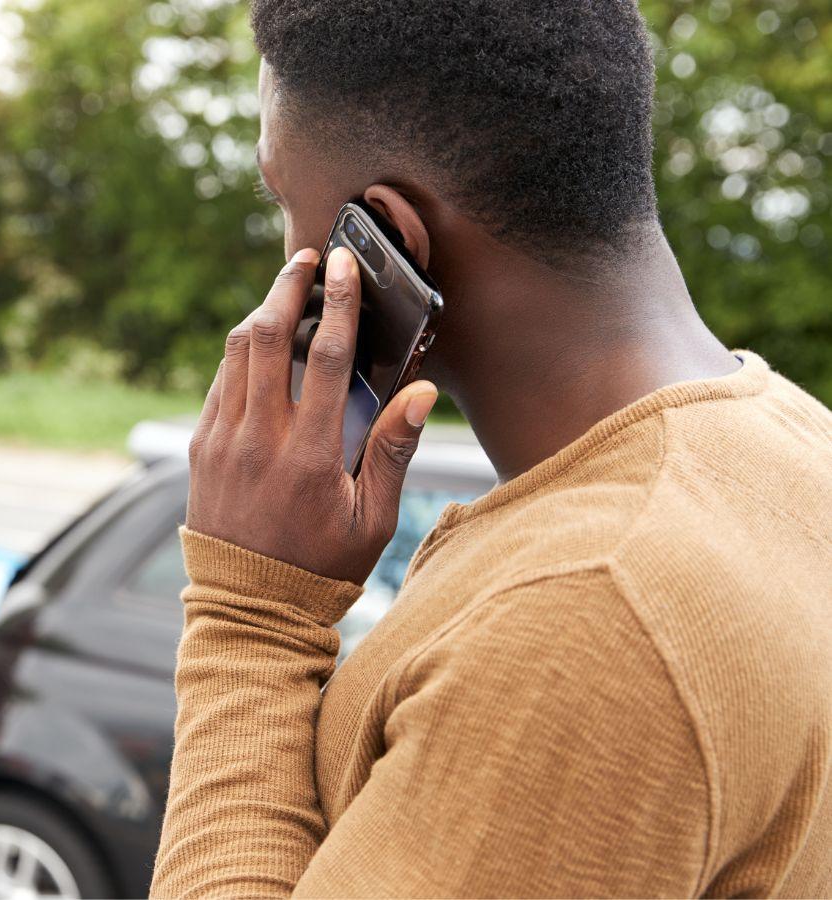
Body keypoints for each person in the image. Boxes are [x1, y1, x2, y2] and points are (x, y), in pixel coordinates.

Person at [151, 1, 832, 897]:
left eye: (284, 201)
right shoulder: (795, 440)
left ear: (389, 236)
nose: (286, 249)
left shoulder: (590, 608)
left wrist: (252, 613)